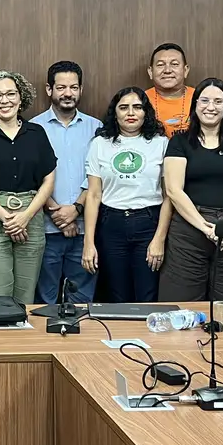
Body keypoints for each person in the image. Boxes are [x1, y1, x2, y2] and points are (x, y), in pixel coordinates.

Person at [159, 79, 223, 315]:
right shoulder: (179, 142)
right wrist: (205, 227)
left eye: (218, 101)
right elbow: (173, 190)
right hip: (188, 230)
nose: (210, 107)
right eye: (204, 100)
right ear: (195, 105)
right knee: (180, 308)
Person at [0, 71, 57, 303]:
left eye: (11, 94)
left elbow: (48, 180)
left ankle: (22, 329)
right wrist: (8, 219)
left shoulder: (37, 133)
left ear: (21, 97)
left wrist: (25, 217)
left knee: (26, 295)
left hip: (30, 216)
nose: (5, 100)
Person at [81, 87, 172, 303]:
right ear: (115, 113)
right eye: (123, 108)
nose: (131, 113)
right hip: (111, 223)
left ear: (146, 112)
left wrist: (159, 239)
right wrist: (88, 242)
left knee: (148, 295)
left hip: (149, 223)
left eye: (137, 107)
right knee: (116, 295)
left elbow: (169, 196)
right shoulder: (100, 144)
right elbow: (93, 195)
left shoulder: (161, 143)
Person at [31, 60, 101, 304]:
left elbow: (99, 175)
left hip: (85, 231)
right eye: (61, 87)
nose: (68, 93)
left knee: (81, 301)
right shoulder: (33, 128)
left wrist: (76, 209)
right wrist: (57, 213)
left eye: (73, 87)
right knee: (44, 301)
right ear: (49, 89)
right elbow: (30, 176)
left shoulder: (97, 127)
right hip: (45, 230)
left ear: (81, 89)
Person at [145, 43, 194, 138]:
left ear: (185, 70)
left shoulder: (200, 98)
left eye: (174, 64)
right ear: (150, 72)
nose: (167, 70)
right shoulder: (140, 100)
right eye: (160, 65)